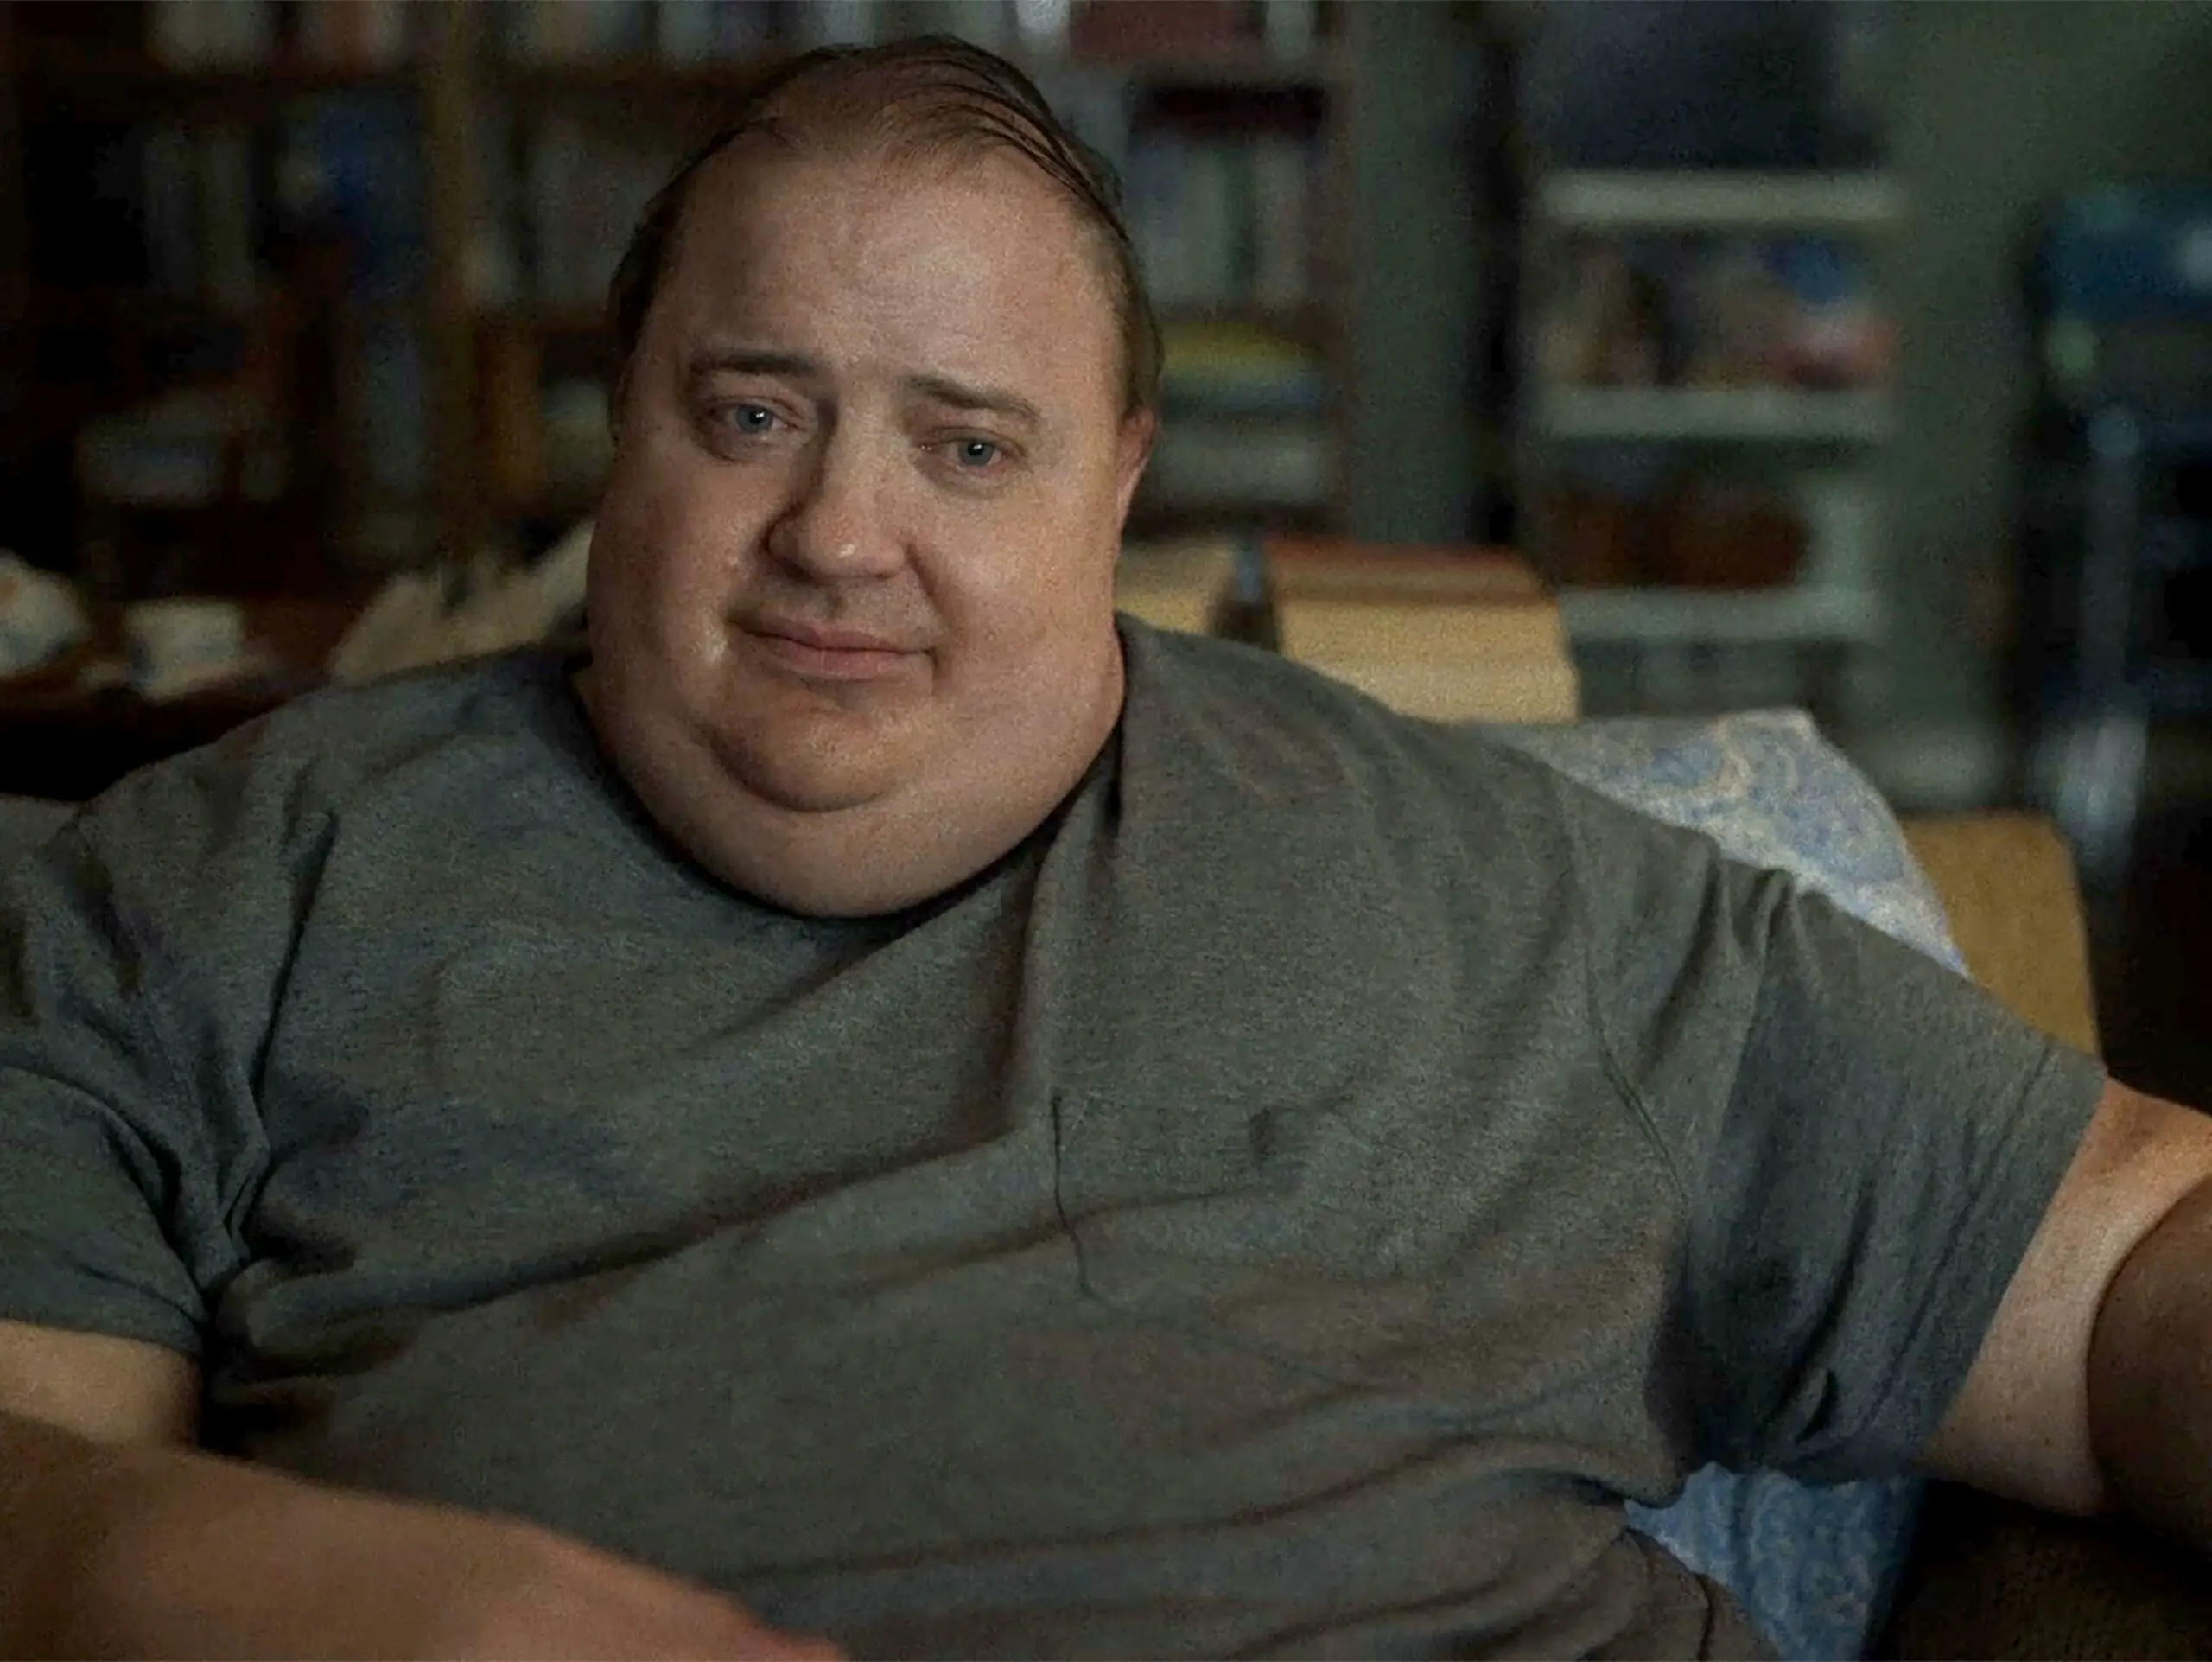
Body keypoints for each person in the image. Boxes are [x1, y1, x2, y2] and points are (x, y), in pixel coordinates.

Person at [1, 37, 2208, 1661]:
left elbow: (2125, 1265)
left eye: (968, 446)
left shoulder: (1509, 891)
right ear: (618, 429)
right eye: (752, 411)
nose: (838, 532)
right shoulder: (219, 875)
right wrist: (227, 1583)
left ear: (1117, 484)